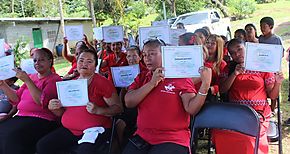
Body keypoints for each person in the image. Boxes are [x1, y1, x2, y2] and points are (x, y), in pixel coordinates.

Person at [122, 39, 212, 154]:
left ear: (165, 54)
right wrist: (151, 83)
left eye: (152, 53)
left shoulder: (179, 76)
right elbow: (129, 102)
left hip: (172, 138)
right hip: (143, 136)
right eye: (144, 55)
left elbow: (191, 108)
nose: (147, 58)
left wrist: (205, 85)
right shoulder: (143, 77)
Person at [36, 49, 123, 154]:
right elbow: (62, 113)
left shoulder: (102, 83)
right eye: (81, 60)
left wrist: (99, 110)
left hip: (94, 130)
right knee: (43, 146)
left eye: (89, 61)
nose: (84, 64)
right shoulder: (70, 84)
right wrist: (54, 108)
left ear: (96, 65)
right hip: (70, 130)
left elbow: (118, 108)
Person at [214, 39, 284, 154]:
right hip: (235, 113)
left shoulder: (262, 66)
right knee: (219, 133)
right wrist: (234, 74)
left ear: (247, 47)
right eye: (232, 53)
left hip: (258, 114)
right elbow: (222, 90)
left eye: (239, 49)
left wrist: (278, 82)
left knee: (247, 137)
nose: (237, 54)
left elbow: (272, 95)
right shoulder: (229, 68)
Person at [0, 48, 61, 154]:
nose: (37, 63)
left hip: (42, 119)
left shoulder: (54, 79)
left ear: (50, 61)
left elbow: (40, 101)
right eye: (35, 60)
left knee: (12, 137)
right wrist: (2, 84)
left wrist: (27, 80)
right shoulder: (32, 77)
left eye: (41, 60)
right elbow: (16, 98)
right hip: (22, 117)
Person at [259, 16, 284, 112]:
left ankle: (273, 109)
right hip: (262, 68)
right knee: (265, 89)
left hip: (273, 69)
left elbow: (281, 54)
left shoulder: (276, 39)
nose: (262, 29)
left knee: (274, 91)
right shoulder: (260, 38)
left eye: (264, 26)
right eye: (260, 26)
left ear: (271, 27)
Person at [195, 34, 227, 102]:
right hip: (194, 93)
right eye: (207, 42)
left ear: (218, 46)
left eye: (213, 43)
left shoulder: (222, 64)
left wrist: (211, 89)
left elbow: (221, 85)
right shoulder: (199, 60)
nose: (209, 45)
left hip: (209, 98)